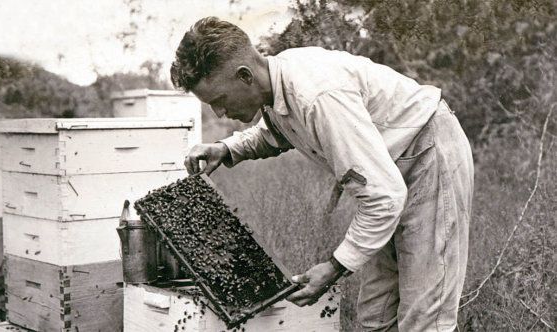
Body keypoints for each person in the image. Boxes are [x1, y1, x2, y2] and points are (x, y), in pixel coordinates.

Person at [171, 16, 474, 332]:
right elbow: (278, 130)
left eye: (219, 101)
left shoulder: (317, 95)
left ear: (245, 76)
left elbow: (385, 196)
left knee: (424, 318)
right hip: (386, 172)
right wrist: (227, 148)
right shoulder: (276, 86)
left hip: (425, 157)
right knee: (376, 315)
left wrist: (334, 267)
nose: (219, 113)